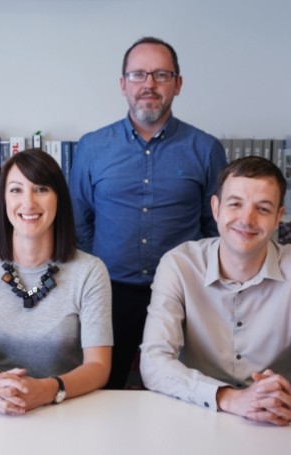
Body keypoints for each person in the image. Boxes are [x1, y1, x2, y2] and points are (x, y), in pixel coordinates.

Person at [140, 156, 291, 425]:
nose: (247, 219)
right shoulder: (179, 265)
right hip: (195, 414)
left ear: (278, 218)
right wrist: (229, 398)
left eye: (262, 208)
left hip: (274, 421)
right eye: (235, 204)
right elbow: (153, 362)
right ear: (216, 208)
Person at [69, 36, 228, 389]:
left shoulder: (205, 149)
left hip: (183, 296)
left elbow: (216, 228)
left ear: (178, 84)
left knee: (183, 392)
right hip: (108, 296)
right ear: (123, 84)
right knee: (103, 391)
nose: (149, 84)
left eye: (161, 75)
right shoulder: (92, 147)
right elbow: (80, 224)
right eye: (138, 74)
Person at [0, 149, 112, 415]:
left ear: (59, 198)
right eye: (16, 190)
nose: (28, 202)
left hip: (71, 406)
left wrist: (47, 390)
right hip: (4, 406)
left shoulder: (90, 271)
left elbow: (99, 367)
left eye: (41, 189)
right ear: (3, 200)